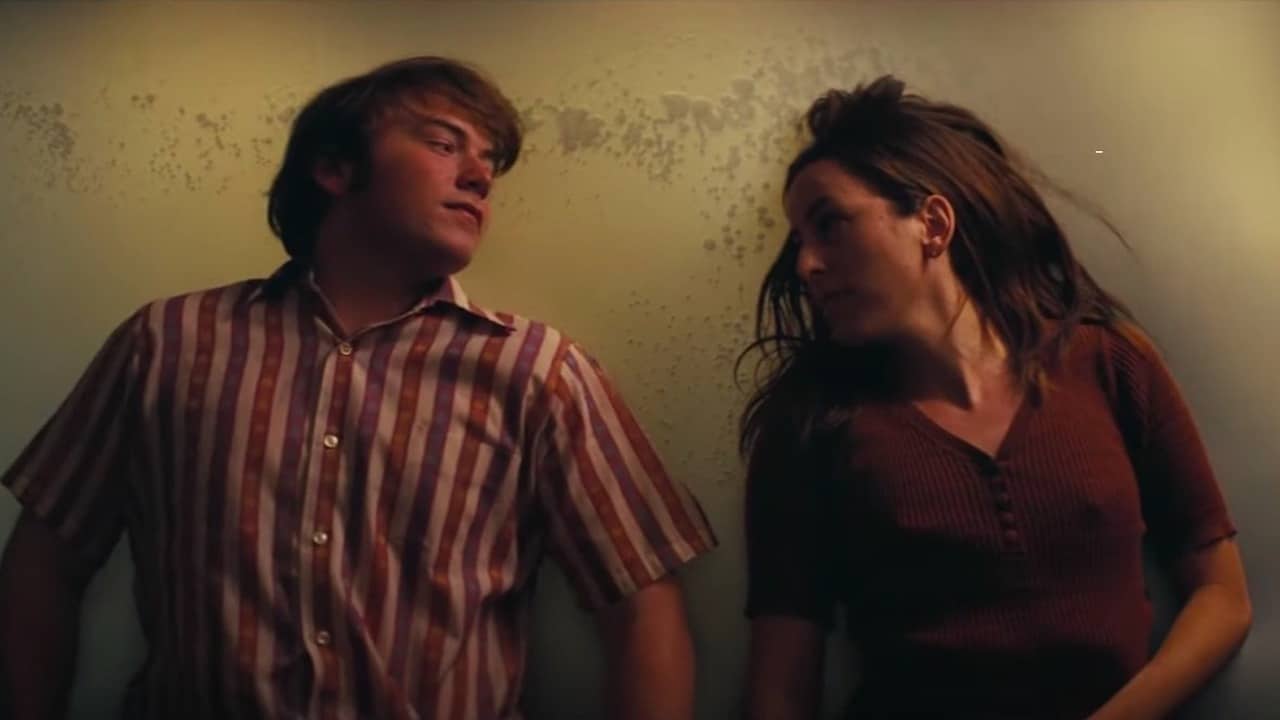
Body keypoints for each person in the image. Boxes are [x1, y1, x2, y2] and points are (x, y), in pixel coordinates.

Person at [0, 56, 716, 720]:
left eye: (489, 162)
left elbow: (643, 608)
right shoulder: (169, 344)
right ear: (335, 168)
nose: (479, 177)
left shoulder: (537, 370)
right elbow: (42, 564)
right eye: (445, 144)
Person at [740, 76, 1250, 719]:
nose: (807, 265)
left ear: (932, 223)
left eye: (830, 225)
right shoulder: (809, 427)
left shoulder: (1111, 363)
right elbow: (781, 690)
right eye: (799, 241)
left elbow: (1223, 597)